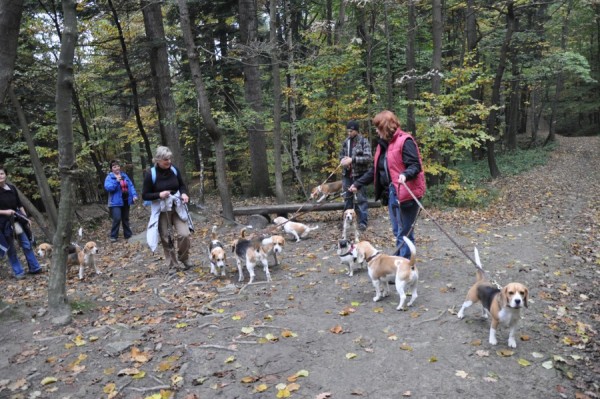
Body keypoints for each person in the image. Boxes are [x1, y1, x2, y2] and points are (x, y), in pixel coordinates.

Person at [350, 110, 426, 258]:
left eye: (378, 128)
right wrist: (358, 183)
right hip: (392, 192)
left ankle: (404, 268)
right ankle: (401, 265)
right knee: (397, 231)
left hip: (407, 193)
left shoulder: (405, 141)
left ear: (385, 127)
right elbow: (375, 170)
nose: (376, 131)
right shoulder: (382, 146)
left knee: (405, 232)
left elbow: (415, 166)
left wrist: (405, 174)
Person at [142, 146, 193, 270]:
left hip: (177, 207)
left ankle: (184, 258)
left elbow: (181, 185)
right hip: (161, 210)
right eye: (166, 159)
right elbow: (145, 195)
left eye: (169, 158)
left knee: (184, 234)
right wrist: (159, 195)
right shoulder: (151, 174)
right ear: (158, 160)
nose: (169, 161)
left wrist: (184, 193)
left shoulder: (174, 170)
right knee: (166, 237)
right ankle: (173, 265)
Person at [0, 165, 42, 279]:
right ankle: (18, 272)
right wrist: (5, 212)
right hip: (3, 224)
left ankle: (35, 267)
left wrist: (25, 218)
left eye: (2, 173)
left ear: (6, 175)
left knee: (26, 244)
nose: (0, 176)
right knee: (11, 249)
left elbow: (19, 205)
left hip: (17, 220)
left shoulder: (12, 188)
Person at [339, 120, 373, 231]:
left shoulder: (364, 141)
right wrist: (344, 163)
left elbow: (368, 158)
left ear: (356, 131)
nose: (349, 133)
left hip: (359, 175)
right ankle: (346, 222)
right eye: (348, 131)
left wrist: (352, 160)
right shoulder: (345, 142)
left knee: (361, 199)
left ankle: (362, 222)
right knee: (347, 198)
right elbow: (341, 157)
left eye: (351, 130)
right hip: (346, 175)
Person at [104, 160, 138, 242]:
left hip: (126, 200)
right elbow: (108, 188)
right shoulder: (109, 177)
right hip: (115, 202)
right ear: (111, 169)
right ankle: (113, 236)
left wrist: (134, 195)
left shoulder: (124, 175)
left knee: (125, 218)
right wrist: (116, 181)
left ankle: (128, 235)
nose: (117, 168)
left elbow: (130, 185)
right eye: (114, 167)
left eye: (118, 166)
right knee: (117, 218)